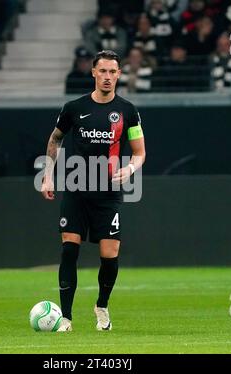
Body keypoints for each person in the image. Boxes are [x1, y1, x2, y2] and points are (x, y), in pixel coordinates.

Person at [41, 50, 146, 332]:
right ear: (94, 73)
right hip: (76, 189)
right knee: (69, 250)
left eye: (113, 72)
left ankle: (101, 305)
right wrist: (48, 176)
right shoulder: (74, 108)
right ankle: (65, 318)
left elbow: (139, 153)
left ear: (119, 74)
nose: (108, 77)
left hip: (108, 193)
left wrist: (131, 169)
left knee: (110, 255)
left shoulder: (128, 111)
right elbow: (55, 139)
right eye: (103, 71)